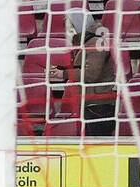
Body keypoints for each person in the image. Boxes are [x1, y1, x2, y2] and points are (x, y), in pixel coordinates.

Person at [49, 9, 116, 137]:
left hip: (99, 107)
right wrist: (61, 69)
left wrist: (62, 74)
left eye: (70, 30)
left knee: (97, 148)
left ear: (80, 25)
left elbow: (90, 74)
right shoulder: (87, 42)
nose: (68, 34)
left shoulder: (96, 43)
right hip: (91, 104)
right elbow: (82, 67)